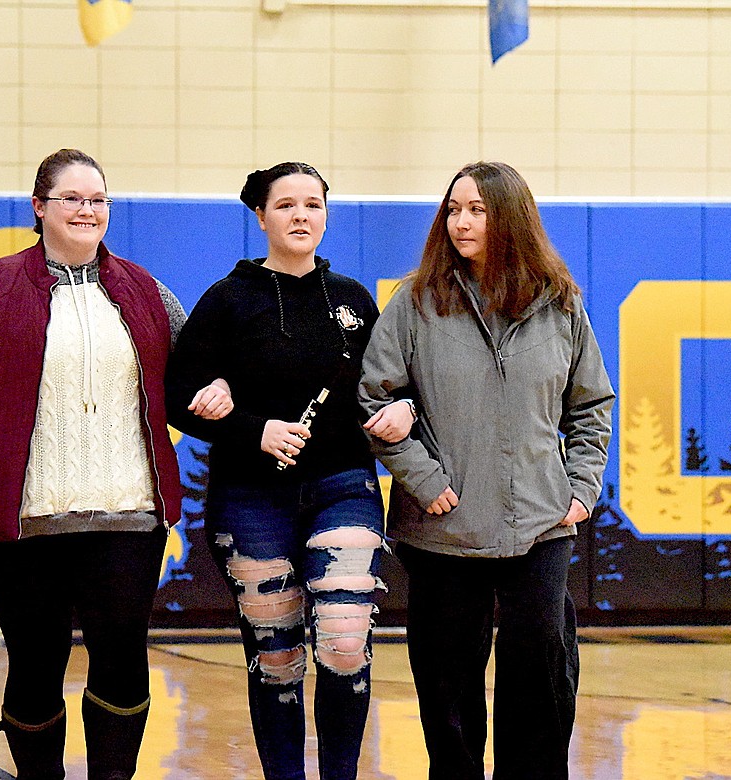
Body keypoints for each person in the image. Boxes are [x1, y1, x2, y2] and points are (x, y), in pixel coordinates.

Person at [0, 148, 226, 780]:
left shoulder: (145, 291)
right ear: (39, 208)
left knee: (121, 659)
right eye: (72, 198)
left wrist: (216, 387)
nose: (88, 210)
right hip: (25, 520)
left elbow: (192, 371)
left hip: (128, 514)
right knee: (36, 663)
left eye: (98, 199)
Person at [359, 161, 615, 779]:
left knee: (540, 678)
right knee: (447, 689)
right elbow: (374, 399)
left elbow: (591, 406)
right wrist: (426, 482)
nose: (462, 222)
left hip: (541, 525)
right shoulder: (415, 303)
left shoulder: (560, 304)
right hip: (444, 527)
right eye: (453, 209)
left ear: (512, 218)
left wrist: (580, 487)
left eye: (477, 209)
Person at [165, 162, 414, 780]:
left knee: (345, 637)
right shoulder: (228, 300)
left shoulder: (354, 300)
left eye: (313, 205)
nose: (301, 216)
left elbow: (391, 388)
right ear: (261, 216)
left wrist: (404, 409)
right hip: (250, 499)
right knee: (275, 656)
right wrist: (253, 428)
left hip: (343, 488)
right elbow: (177, 395)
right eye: (286, 206)